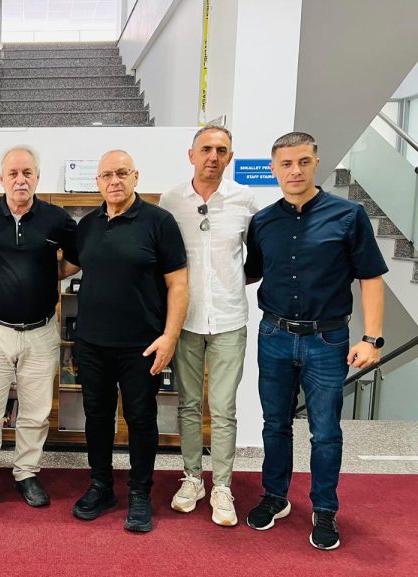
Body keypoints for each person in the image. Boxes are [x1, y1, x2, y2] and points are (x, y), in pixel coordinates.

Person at [244, 132, 387, 550]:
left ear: (316, 164)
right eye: (286, 164)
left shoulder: (349, 215)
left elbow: (370, 277)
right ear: (273, 169)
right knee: (275, 424)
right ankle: (275, 497)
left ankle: (325, 509)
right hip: (273, 334)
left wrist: (372, 338)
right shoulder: (262, 221)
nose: (295, 170)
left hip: (327, 339)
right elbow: (252, 272)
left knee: (325, 431)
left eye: (303, 162)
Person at [66, 150, 188, 533]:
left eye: (122, 173)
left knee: (140, 419)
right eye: (107, 175)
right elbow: (65, 266)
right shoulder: (88, 225)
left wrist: (170, 336)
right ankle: (101, 486)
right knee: (97, 416)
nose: (114, 180)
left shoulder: (159, 222)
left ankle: (139, 493)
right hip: (91, 343)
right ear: (97, 182)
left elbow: (178, 283)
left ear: (136, 176)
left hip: (142, 346)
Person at [0, 145, 78, 519]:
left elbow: (75, 258)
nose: (20, 180)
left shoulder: (56, 219)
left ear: (37, 178)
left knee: (36, 413)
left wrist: (49, 275)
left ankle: (26, 473)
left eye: (27, 173)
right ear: (1, 178)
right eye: (13, 173)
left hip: (41, 331)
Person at [160, 125, 258, 526]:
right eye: (206, 149)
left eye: (221, 150)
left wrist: (231, 283)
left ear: (230, 157)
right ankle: (192, 478)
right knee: (187, 404)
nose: (213, 156)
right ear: (192, 155)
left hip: (229, 320)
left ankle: (221, 486)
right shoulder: (171, 200)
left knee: (223, 408)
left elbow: (257, 259)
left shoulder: (244, 199)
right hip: (185, 320)